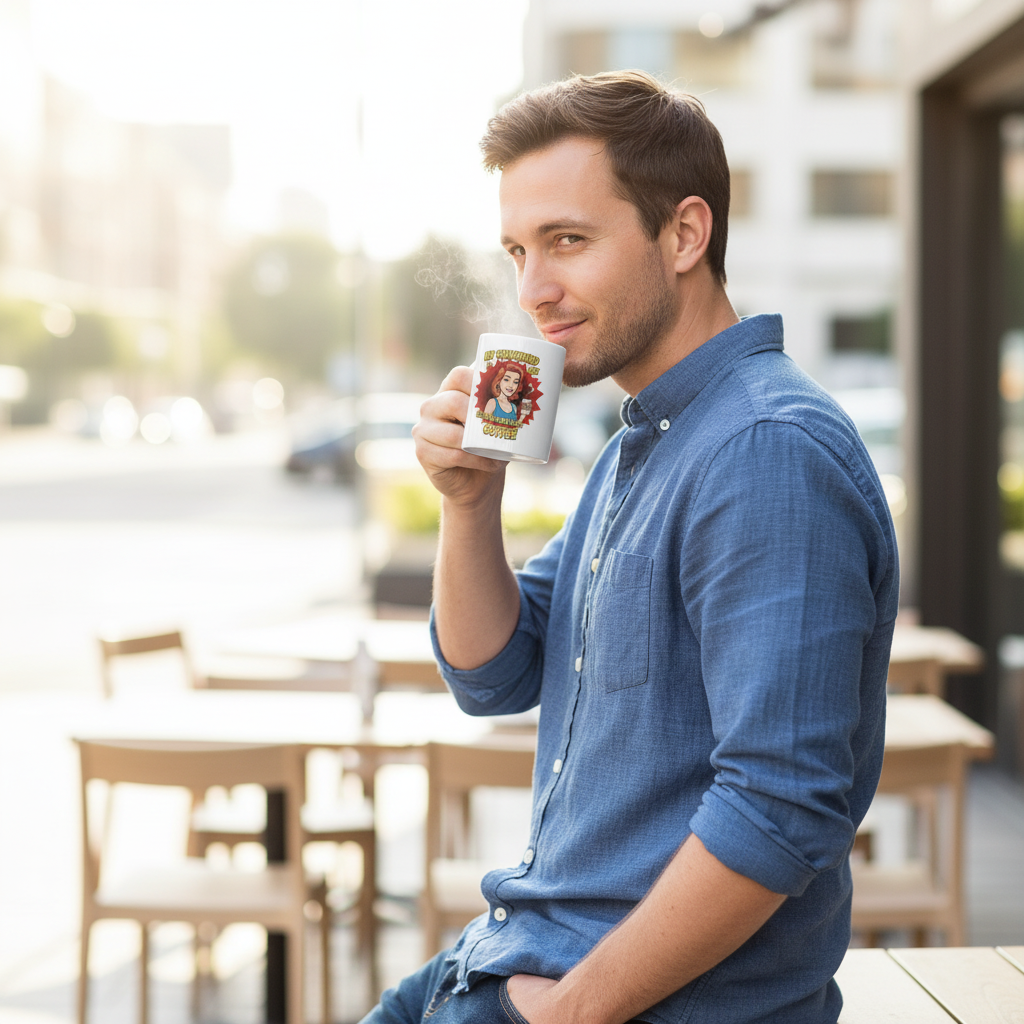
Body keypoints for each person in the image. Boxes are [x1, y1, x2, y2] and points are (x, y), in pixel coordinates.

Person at [374, 70, 898, 1024]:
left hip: (625, 1001)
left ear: (686, 234)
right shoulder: (641, 443)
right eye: (518, 250)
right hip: (516, 951)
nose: (533, 289)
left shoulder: (762, 451)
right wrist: (466, 502)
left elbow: (780, 809)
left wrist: (573, 1011)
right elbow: (495, 671)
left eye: (568, 241)